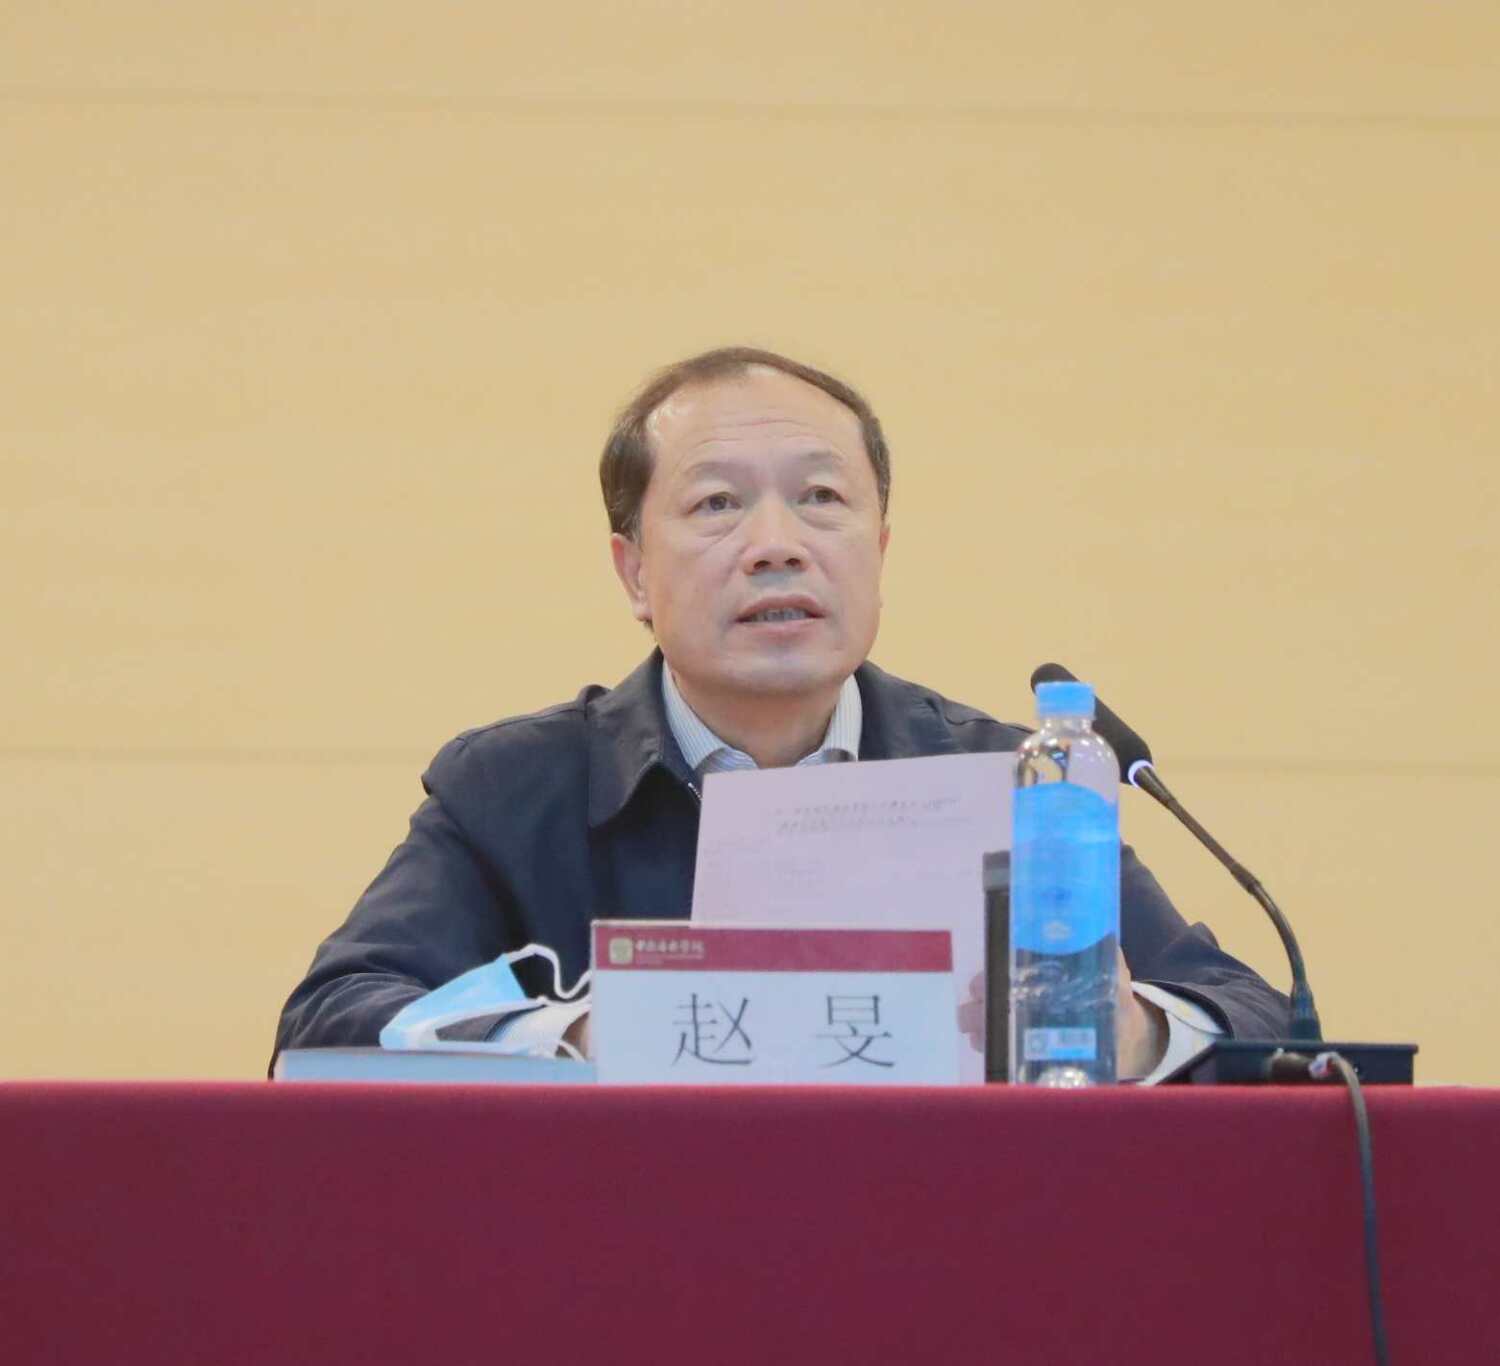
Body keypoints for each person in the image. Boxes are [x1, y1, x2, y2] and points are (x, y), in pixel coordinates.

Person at [273, 347, 1288, 1077]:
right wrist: (576, 1039)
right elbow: (326, 1028)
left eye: (822, 500)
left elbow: (1264, 1023)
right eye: (717, 504)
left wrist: (1136, 1033)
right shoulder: (514, 788)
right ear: (633, 571)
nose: (777, 544)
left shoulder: (1007, 780)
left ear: (878, 551)